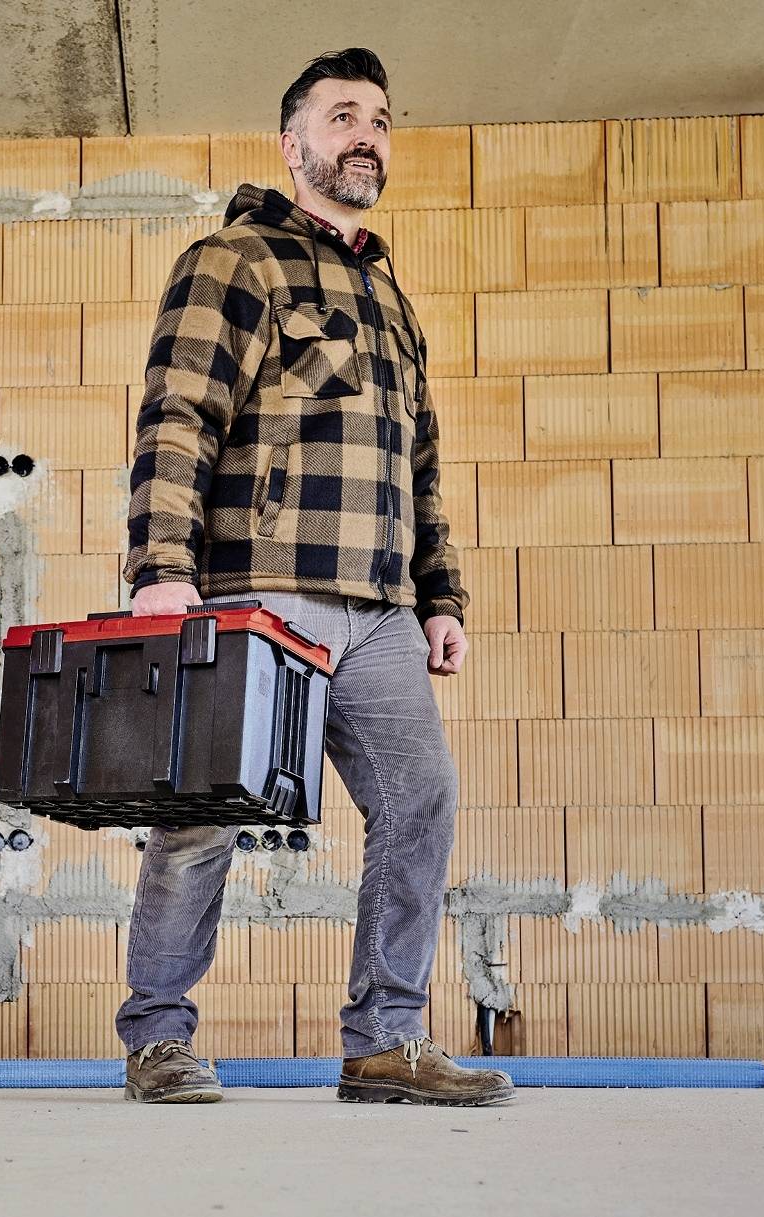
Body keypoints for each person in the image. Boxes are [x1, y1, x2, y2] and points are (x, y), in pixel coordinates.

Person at [116, 47, 514, 1107]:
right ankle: (157, 1038)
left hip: (380, 610)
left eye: (378, 119)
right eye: (341, 117)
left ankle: (384, 1040)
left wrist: (440, 596)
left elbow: (419, 465)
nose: (365, 135)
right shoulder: (235, 260)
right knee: (202, 814)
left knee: (420, 797)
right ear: (292, 145)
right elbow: (177, 415)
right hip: (258, 595)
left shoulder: (389, 298)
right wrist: (161, 568)